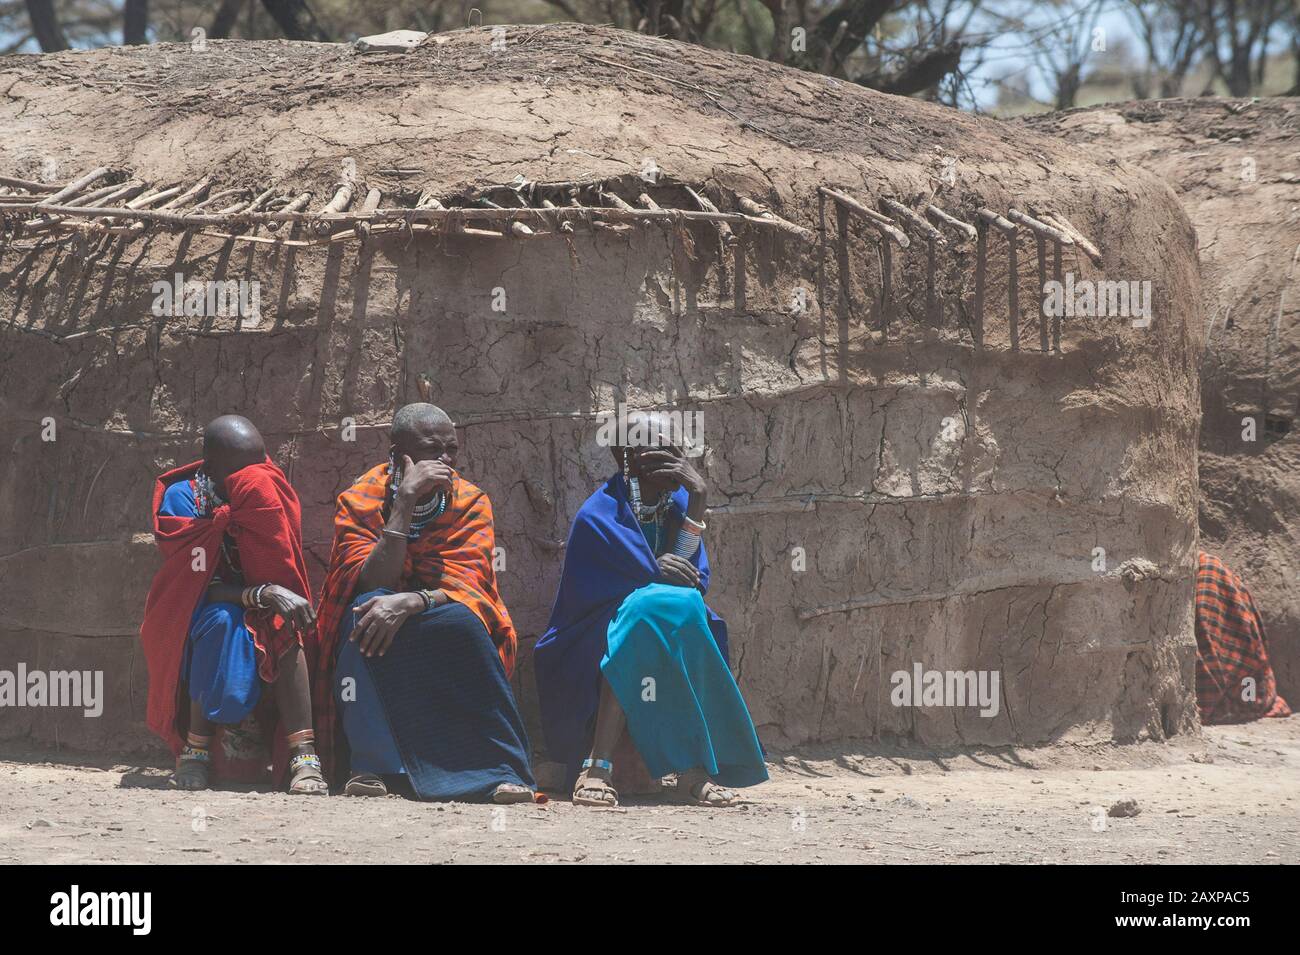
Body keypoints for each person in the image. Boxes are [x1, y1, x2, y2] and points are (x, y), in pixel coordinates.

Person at [534, 411, 767, 808]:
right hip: (593, 633)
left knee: (681, 605)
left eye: (677, 448)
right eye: (660, 448)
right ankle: (607, 766)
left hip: (667, 622)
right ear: (627, 457)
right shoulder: (600, 513)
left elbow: (691, 578)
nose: (674, 457)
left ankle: (673, 769)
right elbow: (596, 597)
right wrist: (649, 572)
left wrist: (698, 502)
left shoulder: (676, 504)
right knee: (644, 613)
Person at [314, 403, 536, 803]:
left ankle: (498, 770)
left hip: (439, 611)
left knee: (464, 623)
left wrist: (415, 601)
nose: (447, 459)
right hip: (379, 614)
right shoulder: (360, 499)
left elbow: (471, 584)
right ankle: (373, 767)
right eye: (434, 450)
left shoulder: (470, 501)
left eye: (452, 449)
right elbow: (367, 579)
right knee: (365, 609)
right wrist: (404, 502)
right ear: (400, 454)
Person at [140, 415, 327, 794]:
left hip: (263, 601)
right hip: (203, 607)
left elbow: (281, 563)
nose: (255, 475)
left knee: (284, 624)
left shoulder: (268, 489)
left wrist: (270, 596)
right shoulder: (184, 500)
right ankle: (194, 755)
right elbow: (191, 588)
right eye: (241, 469)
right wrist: (257, 594)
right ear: (211, 467)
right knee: (221, 621)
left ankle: (304, 758)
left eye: (260, 463)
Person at [1195, 551, 1291, 724]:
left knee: (1248, 693)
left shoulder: (1208, 576)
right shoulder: (1205, 569)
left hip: (1244, 679)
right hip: (1244, 680)